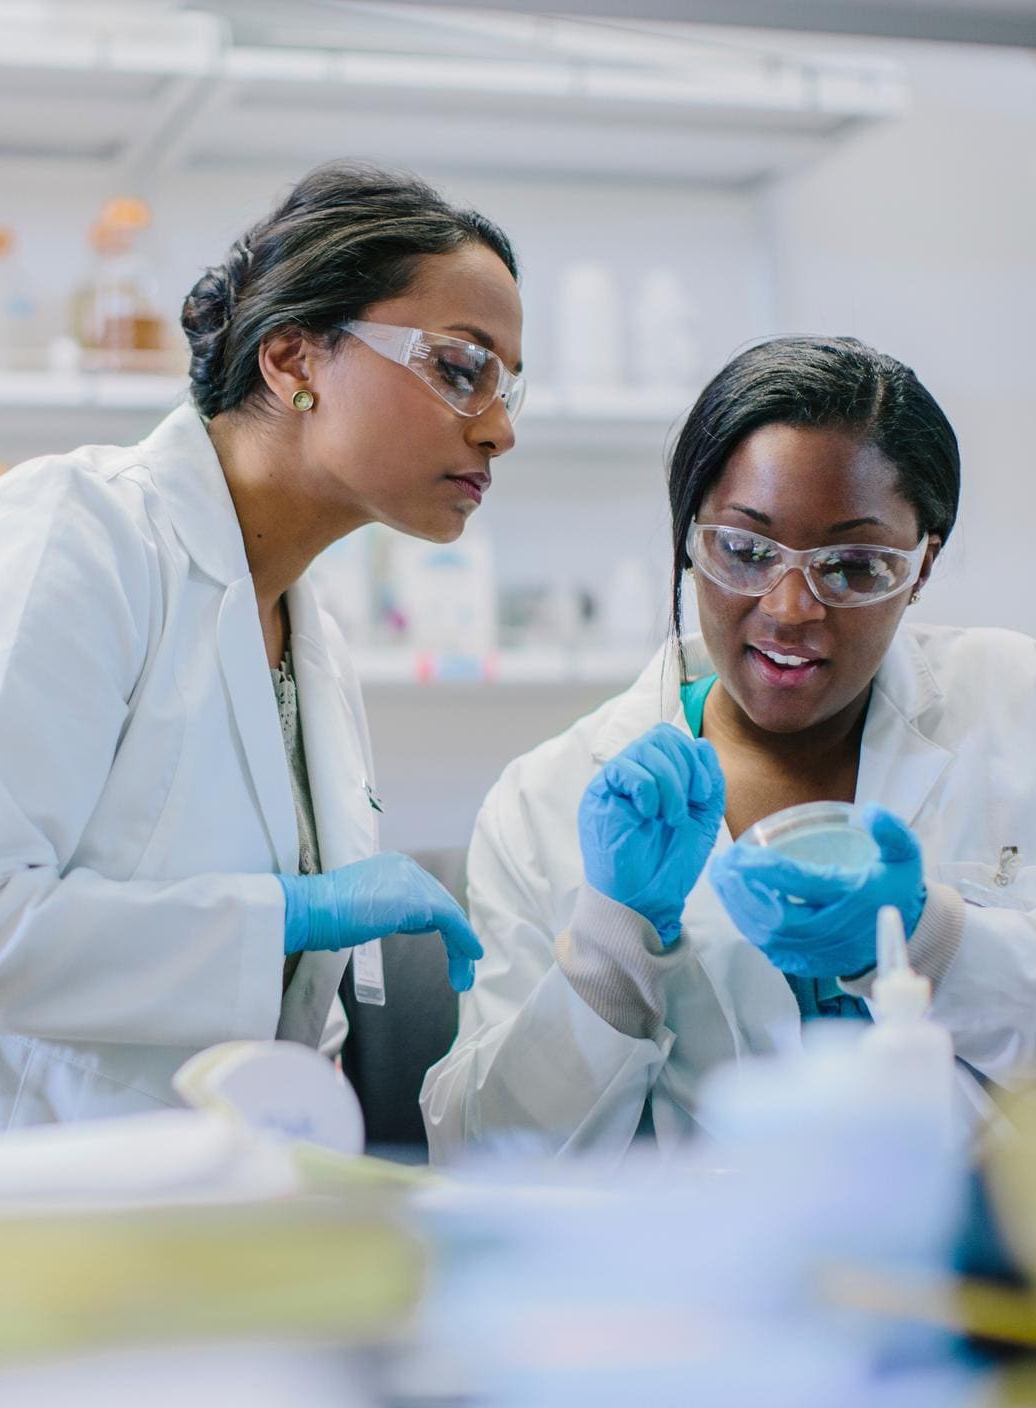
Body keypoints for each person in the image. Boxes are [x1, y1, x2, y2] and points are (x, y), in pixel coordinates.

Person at [0, 162, 523, 1139]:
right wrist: (282, 913)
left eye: (509, 387)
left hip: (168, 1212)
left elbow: (267, 1009)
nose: (499, 428)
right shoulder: (72, 535)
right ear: (292, 360)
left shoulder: (310, 635)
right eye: (460, 369)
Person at [423, 334, 1036, 1161]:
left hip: (984, 1271)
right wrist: (612, 944)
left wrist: (934, 944)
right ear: (688, 539)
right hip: (697, 1277)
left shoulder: (1012, 704)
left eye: (854, 567)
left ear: (922, 565)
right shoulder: (547, 798)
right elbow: (480, 1151)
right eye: (744, 552)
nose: (790, 610)